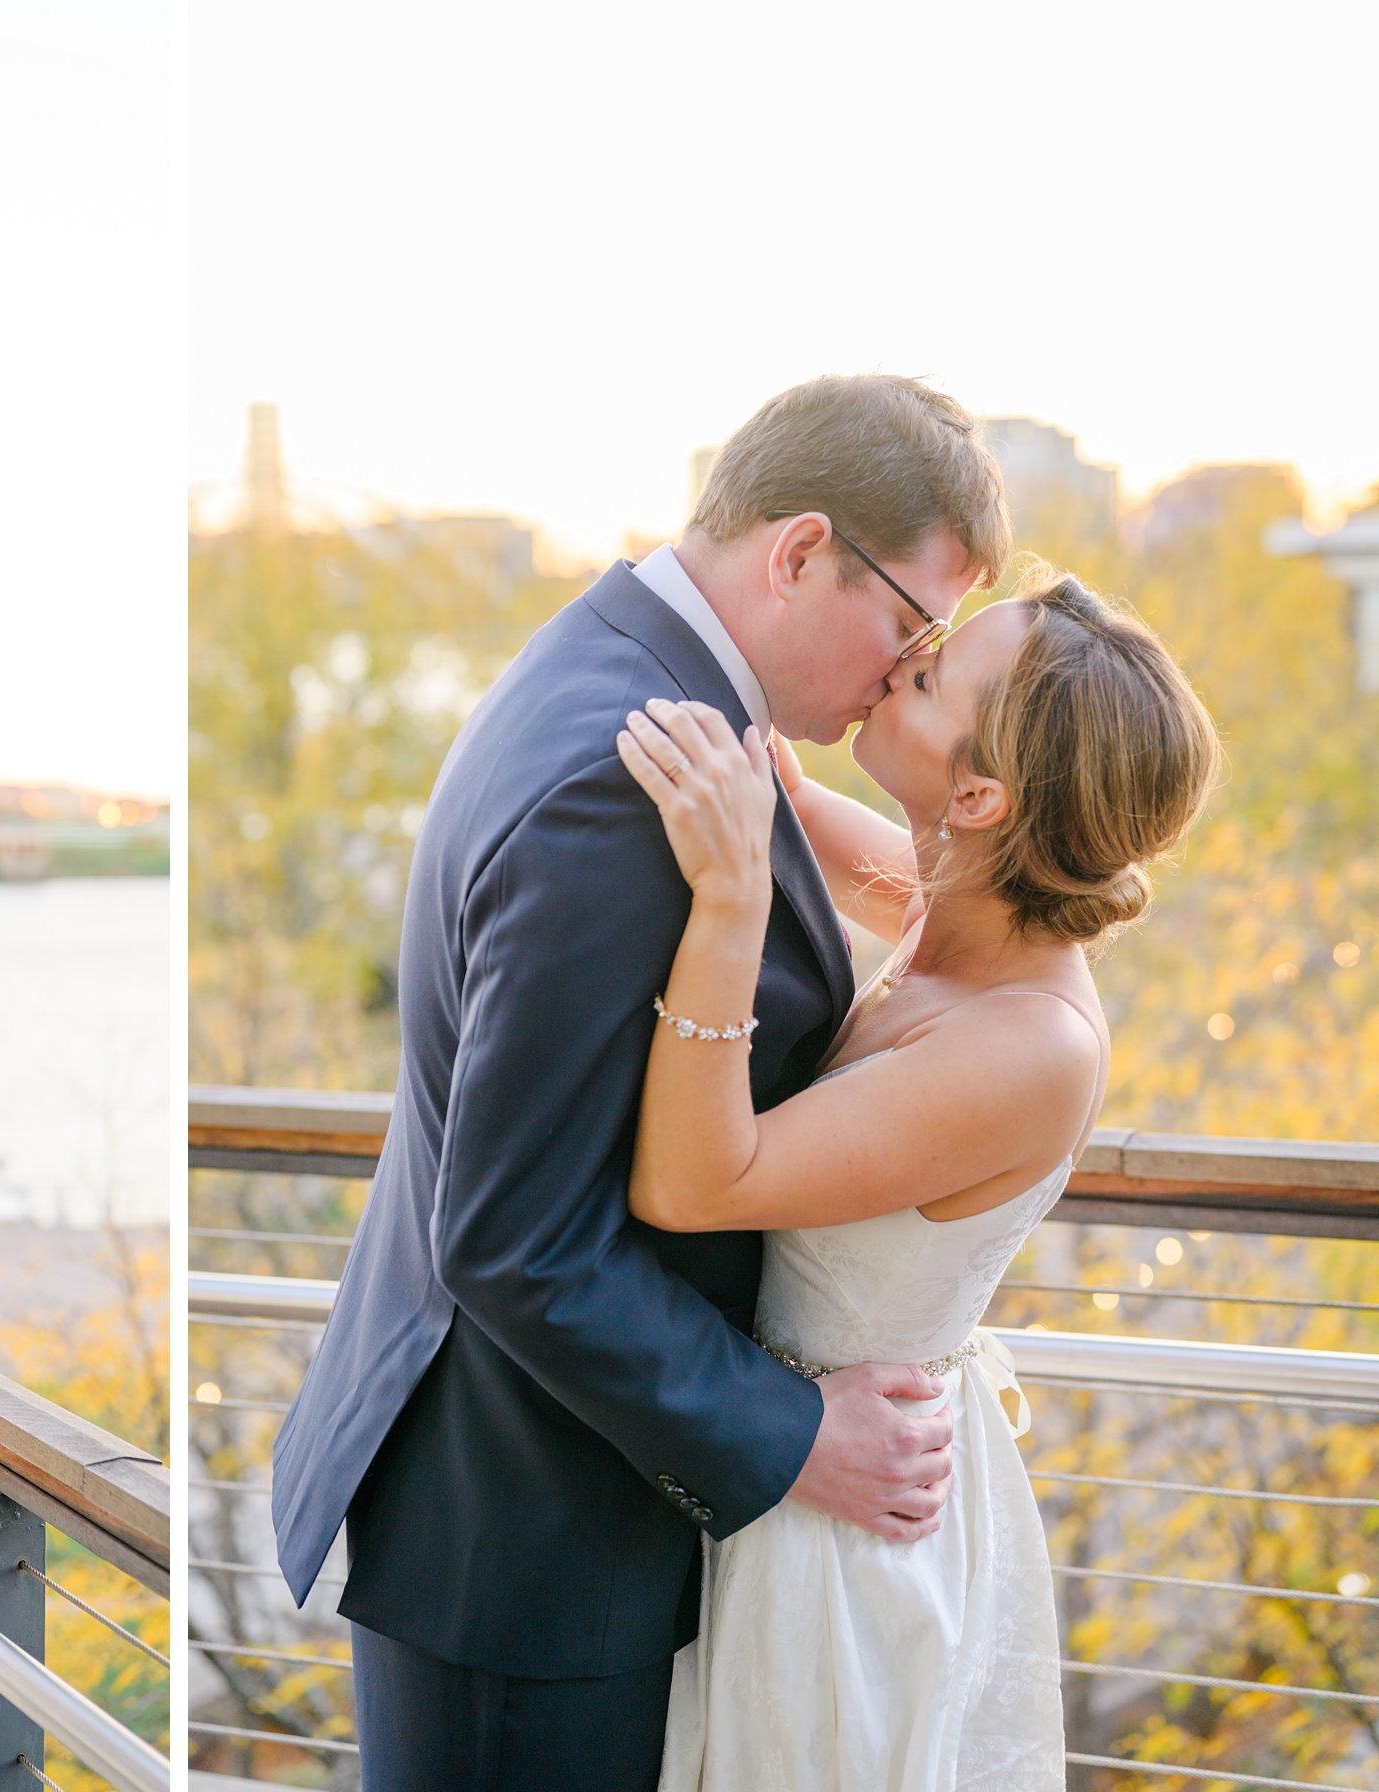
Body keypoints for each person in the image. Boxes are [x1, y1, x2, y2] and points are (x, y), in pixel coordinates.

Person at [271, 375, 1015, 1789]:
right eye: (912, 628)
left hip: (545, 1504)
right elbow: (516, 1237)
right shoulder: (626, 777)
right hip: (528, 1541)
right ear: (800, 552)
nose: (908, 671)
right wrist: (793, 1435)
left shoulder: (637, 680)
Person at [622, 578, 1214, 1790]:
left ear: (983, 794)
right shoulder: (960, 891)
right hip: (778, 1460)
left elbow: (694, 1182)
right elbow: (777, 786)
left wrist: (732, 908)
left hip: (842, 1531)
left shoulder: (1028, 1044)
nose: (905, 660)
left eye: (933, 673)